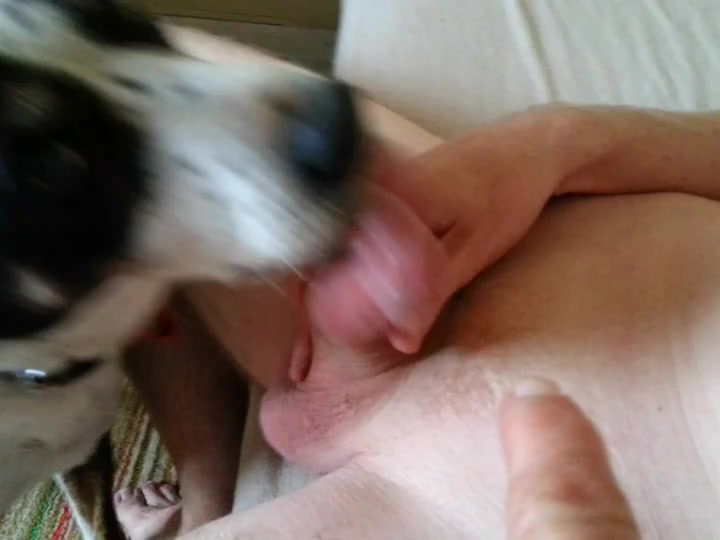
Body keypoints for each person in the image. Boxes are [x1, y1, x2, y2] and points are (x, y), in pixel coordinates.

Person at [116, 104, 720, 539]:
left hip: (469, 498)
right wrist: (552, 142)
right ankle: (205, 496)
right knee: (138, 153)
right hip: (475, 265)